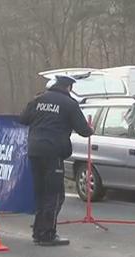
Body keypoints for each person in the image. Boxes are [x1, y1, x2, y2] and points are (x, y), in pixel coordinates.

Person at [20, 75, 94, 246]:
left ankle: (38, 231)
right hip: (53, 152)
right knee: (55, 195)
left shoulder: (38, 100)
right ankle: (47, 234)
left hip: (34, 151)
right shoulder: (69, 104)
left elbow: (23, 119)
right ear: (68, 88)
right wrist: (91, 130)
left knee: (41, 192)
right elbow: (83, 130)